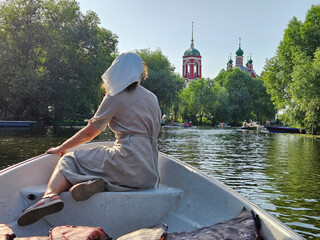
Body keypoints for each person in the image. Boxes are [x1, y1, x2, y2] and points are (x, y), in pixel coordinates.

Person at [17, 52, 162, 226]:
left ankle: (49, 197)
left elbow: (89, 134)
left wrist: (61, 148)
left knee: (71, 158)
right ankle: (95, 182)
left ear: (115, 71)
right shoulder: (152, 98)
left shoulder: (116, 95)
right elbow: (156, 134)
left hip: (127, 161)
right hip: (148, 174)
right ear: (140, 74)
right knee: (109, 163)